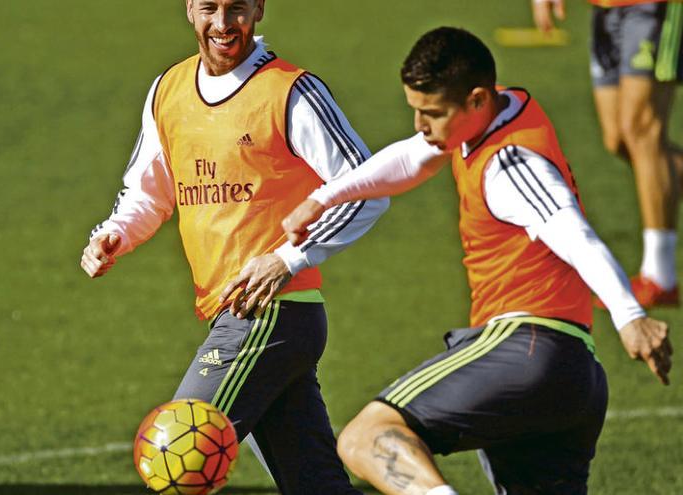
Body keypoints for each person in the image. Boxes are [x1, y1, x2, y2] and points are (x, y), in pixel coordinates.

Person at [282, 27, 672, 495]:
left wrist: (631, 317)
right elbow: (414, 156)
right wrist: (323, 198)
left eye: (432, 114)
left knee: (368, 436)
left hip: (525, 349)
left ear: (476, 99)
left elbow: (576, 235)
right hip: (572, 378)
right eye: (415, 110)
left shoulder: (511, 163)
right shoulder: (495, 113)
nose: (420, 125)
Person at [80, 1, 388, 492]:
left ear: (259, 9)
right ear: (189, 10)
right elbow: (150, 189)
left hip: (268, 312)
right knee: (315, 483)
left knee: (176, 458)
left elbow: (367, 187)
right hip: (238, 313)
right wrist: (115, 233)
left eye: (237, 8)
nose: (223, 24)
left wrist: (290, 259)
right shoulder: (169, 89)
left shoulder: (291, 91)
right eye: (210, 8)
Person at [533, 0, 683, 307]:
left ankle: (660, 275)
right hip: (605, 9)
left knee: (641, 131)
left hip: (655, 7)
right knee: (618, 139)